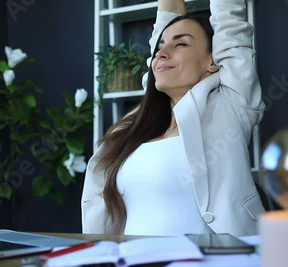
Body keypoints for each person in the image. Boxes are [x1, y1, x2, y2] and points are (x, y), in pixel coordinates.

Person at [82, 0, 265, 237]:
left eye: (181, 44)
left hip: (212, 266)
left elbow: (231, 25)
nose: (161, 54)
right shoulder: (134, 127)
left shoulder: (230, 104)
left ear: (212, 61)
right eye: (159, 48)